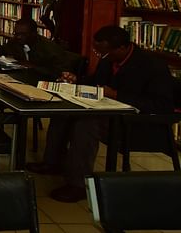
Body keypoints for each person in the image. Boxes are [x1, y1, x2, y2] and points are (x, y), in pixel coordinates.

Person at [26, 26, 174, 203]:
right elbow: (96, 82)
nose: (101, 57)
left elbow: (162, 105)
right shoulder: (109, 59)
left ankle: (78, 184)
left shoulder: (153, 66)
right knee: (63, 111)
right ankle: (52, 162)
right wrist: (76, 80)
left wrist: (118, 95)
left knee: (86, 124)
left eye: (104, 53)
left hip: (138, 123)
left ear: (122, 48)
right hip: (108, 110)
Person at [0, 17, 79, 79]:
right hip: (23, 78)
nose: (19, 37)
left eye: (23, 34)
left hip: (44, 82)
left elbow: (59, 73)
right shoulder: (16, 41)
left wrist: (33, 67)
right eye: (16, 34)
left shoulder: (49, 49)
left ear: (34, 33)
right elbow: (5, 50)